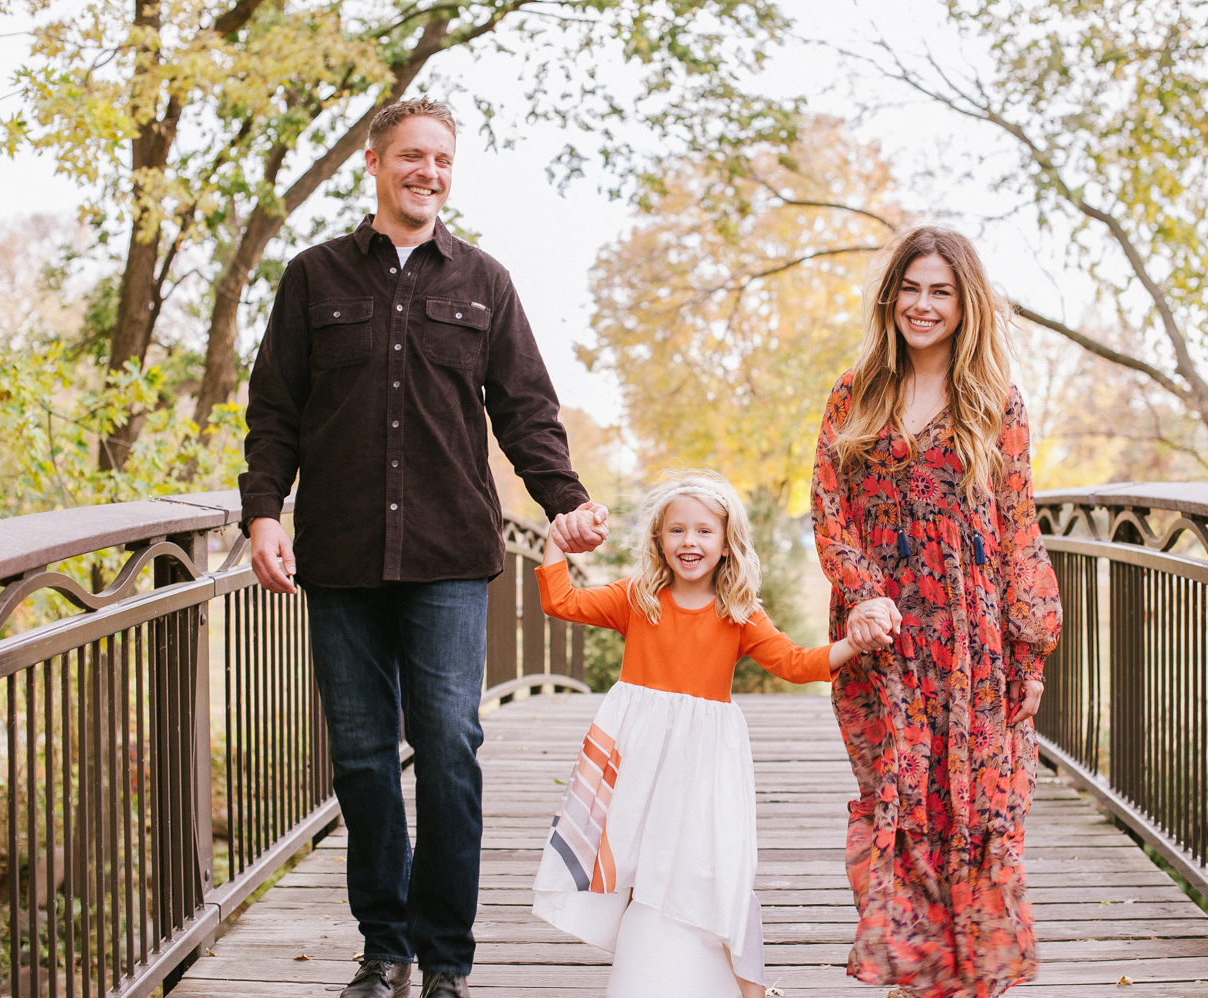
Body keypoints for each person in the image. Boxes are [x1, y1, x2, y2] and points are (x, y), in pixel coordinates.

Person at [238, 96, 608, 998]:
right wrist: (263, 514)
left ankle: (446, 959)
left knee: (449, 748)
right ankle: (384, 946)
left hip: (448, 555)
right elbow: (275, 413)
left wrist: (565, 499)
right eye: (411, 156)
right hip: (340, 556)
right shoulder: (313, 278)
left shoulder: (484, 281)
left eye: (442, 159)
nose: (428, 173)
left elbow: (526, 408)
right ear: (375, 162)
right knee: (362, 760)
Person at [810, 226, 1063, 998]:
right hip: (881, 635)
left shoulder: (997, 403)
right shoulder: (856, 393)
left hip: (973, 638)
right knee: (901, 793)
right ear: (892, 297)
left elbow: (1019, 533)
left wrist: (1032, 653)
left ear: (965, 304)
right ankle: (915, 976)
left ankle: (962, 983)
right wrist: (865, 594)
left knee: (969, 802)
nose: (923, 305)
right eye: (911, 288)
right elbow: (828, 509)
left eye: (940, 292)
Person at [528, 471, 867, 998]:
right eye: (677, 531)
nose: (690, 542)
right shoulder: (637, 598)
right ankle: (653, 973)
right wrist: (557, 536)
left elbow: (796, 663)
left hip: (705, 762)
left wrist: (855, 643)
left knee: (713, 864)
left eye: (705, 531)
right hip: (638, 758)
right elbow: (562, 601)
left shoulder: (738, 613)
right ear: (659, 541)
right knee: (643, 862)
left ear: (727, 541)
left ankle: (745, 984)